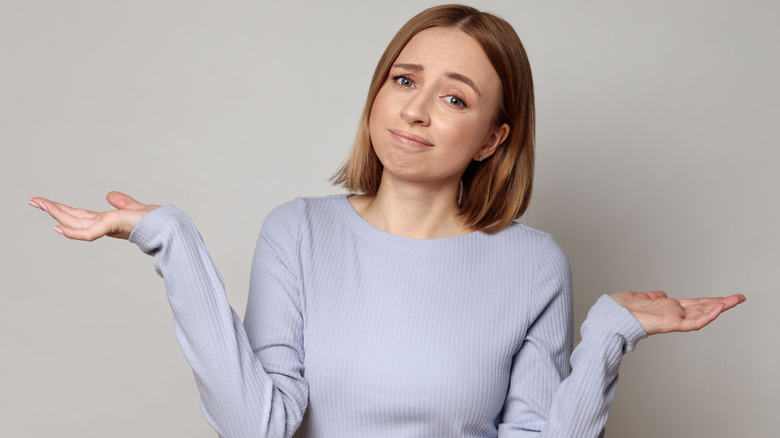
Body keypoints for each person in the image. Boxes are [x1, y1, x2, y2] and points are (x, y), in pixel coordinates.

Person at [29, 4, 744, 438]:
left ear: (496, 136)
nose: (415, 110)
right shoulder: (298, 232)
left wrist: (610, 334)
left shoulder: (532, 263)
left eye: (456, 98)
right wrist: (172, 241)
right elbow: (257, 426)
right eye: (404, 80)